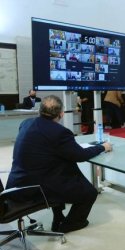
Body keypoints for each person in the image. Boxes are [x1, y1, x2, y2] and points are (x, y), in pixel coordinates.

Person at [6, 95, 112, 233]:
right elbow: (80, 155)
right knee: (90, 192)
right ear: (61, 114)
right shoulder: (60, 132)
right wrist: (103, 147)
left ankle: (58, 217)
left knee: (62, 167)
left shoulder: (26, 123)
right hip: (36, 189)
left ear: (40, 110)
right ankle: (69, 225)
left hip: (17, 183)